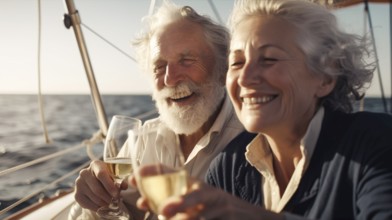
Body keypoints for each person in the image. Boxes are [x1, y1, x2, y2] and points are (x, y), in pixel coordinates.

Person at [135, 0, 392, 219]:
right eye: (237, 62)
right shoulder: (228, 167)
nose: (245, 78)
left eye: (269, 58)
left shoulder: (376, 143)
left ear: (324, 77)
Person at [70, 1, 253, 219]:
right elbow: (114, 212)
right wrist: (94, 200)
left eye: (186, 60)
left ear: (223, 69)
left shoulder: (253, 142)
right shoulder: (144, 138)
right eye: (159, 67)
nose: (170, 79)